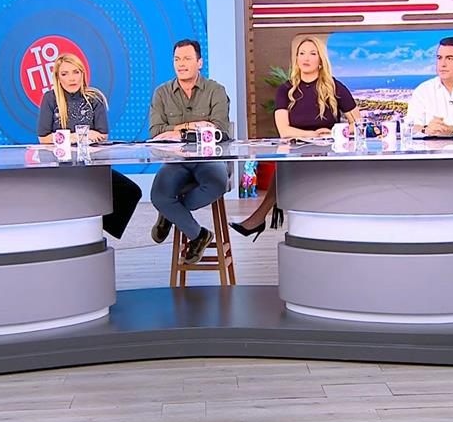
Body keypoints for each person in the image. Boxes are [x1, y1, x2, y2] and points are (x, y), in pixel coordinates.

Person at [229, 35, 362, 240]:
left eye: (312, 53)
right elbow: (284, 130)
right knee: (287, 165)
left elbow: (358, 124)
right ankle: (262, 218)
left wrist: (335, 132)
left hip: (327, 152)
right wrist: (313, 134)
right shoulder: (286, 89)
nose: (306, 58)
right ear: (296, 58)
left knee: (289, 168)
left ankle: (259, 218)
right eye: (301, 53)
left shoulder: (334, 87)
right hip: (296, 150)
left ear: (321, 60)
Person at [36, 53, 141, 239]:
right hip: (62, 168)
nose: (72, 78)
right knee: (76, 197)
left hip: (91, 167)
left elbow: (102, 134)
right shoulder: (51, 98)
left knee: (131, 191)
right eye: (65, 74)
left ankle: (94, 227)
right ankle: (82, 229)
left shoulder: (94, 97)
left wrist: (66, 136)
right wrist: (78, 136)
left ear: (83, 74)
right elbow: (44, 137)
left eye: (76, 72)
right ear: (58, 78)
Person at [148, 39, 231, 264]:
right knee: (159, 196)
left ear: (199, 62)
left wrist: (175, 129)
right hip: (176, 160)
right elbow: (156, 130)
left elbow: (219, 128)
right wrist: (194, 126)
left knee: (217, 183)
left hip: (209, 158)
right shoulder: (162, 93)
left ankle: (170, 214)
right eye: (177, 59)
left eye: (187, 58)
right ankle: (199, 235)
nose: (181, 64)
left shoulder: (215, 90)